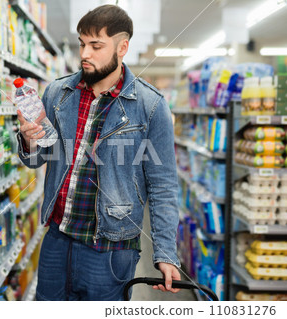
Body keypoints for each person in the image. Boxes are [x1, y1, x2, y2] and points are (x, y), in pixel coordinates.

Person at [16, 4, 181, 301]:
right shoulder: (57, 93)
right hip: (57, 238)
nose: (84, 54)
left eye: (96, 45)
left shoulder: (150, 105)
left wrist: (166, 252)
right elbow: (38, 158)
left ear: (122, 47)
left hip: (110, 248)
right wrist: (29, 141)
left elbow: (163, 185)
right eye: (82, 44)